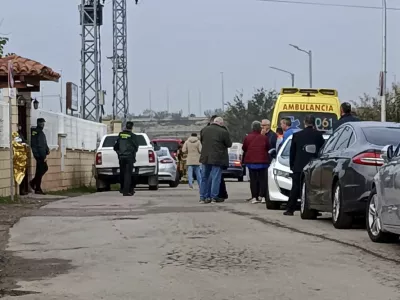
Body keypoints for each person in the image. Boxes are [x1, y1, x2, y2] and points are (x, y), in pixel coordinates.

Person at [284, 115, 325, 216]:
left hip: (299, 166)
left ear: (304, 123)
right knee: (312, 188)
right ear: (314, 123)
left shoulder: (297, 135)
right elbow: (322, 151)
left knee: (296, 188)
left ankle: (290, 209)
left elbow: (292, 152)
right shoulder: (318, 136)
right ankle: (313, 210)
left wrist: (292, 166)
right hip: (313, 166)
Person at [199, 117, 232, 203]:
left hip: (205, 157)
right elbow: (229, 144)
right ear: (221, 123)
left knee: (204, 177)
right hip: (218, 157)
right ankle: (214, 197)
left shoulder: (204, 130)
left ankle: (203, 197)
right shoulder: (223, 131)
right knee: (215, 177)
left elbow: (202, 141)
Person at [242, 121, 270, 204]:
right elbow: (268, 147)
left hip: (251, 161)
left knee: (253, 180)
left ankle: (254, 197)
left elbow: (244, 148)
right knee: (263, 179)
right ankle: (263, 196)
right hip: (263, 161)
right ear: (260, 128)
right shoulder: (264, 137)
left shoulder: (248, 137)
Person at [113, 121, 139, 196]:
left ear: (125, 127)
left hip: (121, 157)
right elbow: (136, 147)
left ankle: (122, 189)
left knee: (122, 173)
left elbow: (115, 147)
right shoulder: (133, 136)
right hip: (129, 157)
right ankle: (126, 191)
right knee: (128, 174)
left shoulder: (120, 135)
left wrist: (119, 153)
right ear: (131, 127)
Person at [30, 118, 50, 194]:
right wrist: (39, 155)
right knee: (42, 170)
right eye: (41, 123)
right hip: (39, 155)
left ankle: (35, 185)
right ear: (38, 123)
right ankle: (35, 186)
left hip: (42, 154)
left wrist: (47, 150)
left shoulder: (41, 132)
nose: (43, 125)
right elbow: (35, 145)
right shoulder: (35, 132)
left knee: (41, 170)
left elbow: (43, 143)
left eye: (43, 123)